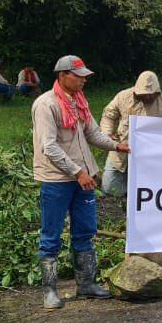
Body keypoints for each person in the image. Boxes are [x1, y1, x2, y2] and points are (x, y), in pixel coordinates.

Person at [32, 55, 129, 309]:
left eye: (85, 76)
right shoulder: (46, 105)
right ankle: (49, 291)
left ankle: (86, 284)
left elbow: (92, 133)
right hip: (57, 180)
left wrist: (117, 146)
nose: (84, 80)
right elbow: (49, 147)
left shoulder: (78, 102)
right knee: (51, 234)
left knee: (85, 231)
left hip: (82, 178)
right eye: (79, 76)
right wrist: (78, 172)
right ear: (62, 75)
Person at [98, 71, 162, 197]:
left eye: (150, 95)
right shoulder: (123, 97)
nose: (147, 98)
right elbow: (109, 115)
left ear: (157, 92)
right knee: (109, 189)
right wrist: (107, 134)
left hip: (150, 157)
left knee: (145, 192)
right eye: (143, 95)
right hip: (121, 152)